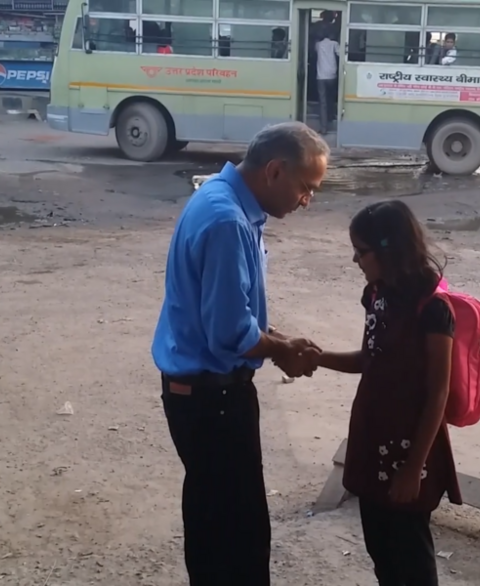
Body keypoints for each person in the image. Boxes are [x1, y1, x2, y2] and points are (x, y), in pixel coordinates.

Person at [152, 122, 329, 586]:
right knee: (235, 535)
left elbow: (232, 308)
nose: (307, 200)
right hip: (213, 400)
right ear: (274, 171)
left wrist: (273, 338)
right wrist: (279, 348)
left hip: (204, 394)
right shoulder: (227, 219)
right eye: (306, 188)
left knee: (218, 519)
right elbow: (230, 333)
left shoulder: (224, 200)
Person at [313, 200, 461, 586]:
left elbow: (437, 393)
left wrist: (413, 468)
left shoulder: (433, 309)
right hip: (373, 437)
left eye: (361, 251)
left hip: (410, 451)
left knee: (410, 558)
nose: (355, 260)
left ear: (388, 248)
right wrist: (316, 357)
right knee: (381, 550)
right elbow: (369, 357)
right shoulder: (376, 295)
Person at [315, 27, 339, 135]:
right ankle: (331, 117)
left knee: (323, 102)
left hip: (321, 76)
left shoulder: (318, 45)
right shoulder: (334, 44)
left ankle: (324, 128)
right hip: (332, 75)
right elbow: (341, 54)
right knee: (331, 98)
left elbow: (314, 52)